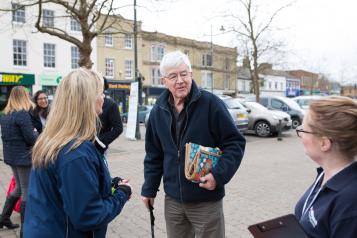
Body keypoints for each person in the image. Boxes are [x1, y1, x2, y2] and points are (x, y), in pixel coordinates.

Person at [141, 50, 246, 238]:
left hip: (206, 200)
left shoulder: (211, 104)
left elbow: (235, 143)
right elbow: (154, 155)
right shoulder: (158, 111)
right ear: (164, 81)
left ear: (191, 74)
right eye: (173, 76)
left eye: (184, 74)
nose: (180, 80)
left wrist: (218, 175)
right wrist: (149, 188)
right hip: (173, 201)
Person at [24, 68, 132, 238]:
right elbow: (89, 216)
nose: (103, 97)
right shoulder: (75, 153)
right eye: (100, 92)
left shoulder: (55, 140)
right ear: (86, 100)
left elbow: (68, 186)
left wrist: (109, 184)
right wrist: (122, 194)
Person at [295, 96, 357, 237]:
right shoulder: (325, 175)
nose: (301, 137)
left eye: (303, 130)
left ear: (324, 143)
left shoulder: (351, 203)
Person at [0, 86, 38, 233]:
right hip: (23, 158)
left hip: (11, 157)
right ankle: (25, 231)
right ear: (23, 96)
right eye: (27, 95)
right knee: (26, 191)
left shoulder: (5, 114)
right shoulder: (22, 114)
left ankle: (3, 218)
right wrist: (37, 134)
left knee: (18, 188)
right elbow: (30, 138)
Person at [95, 78, 123, 154]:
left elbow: (118, 128)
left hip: (99, 149)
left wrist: (100, 141)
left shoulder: (111, 104)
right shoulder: (87, 101)